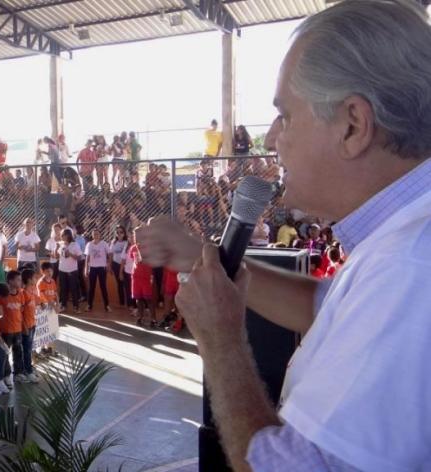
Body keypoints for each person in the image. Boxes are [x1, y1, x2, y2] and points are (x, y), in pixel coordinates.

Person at [137, 2, 431, 470]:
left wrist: (221, 341)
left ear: (353, 125)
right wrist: (201, 255)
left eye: (286, 116)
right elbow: (326, 307)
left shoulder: (408, 267)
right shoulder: (404, 241)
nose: (272, 137)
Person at [0, 270, 25, 386]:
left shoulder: (20, 294)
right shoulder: (3, 296)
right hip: (6, 330)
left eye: (20, 279)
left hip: (18, 329)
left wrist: (22, 325)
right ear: (10, 281)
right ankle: (6, 374)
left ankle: (18, 373)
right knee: (5, 353)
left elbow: (22, 309)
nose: (20, 282)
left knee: (18, 351)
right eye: (18, 279)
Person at [84, 229, 111, 312]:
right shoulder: (89, 244)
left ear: (100, 235)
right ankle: (89, 305)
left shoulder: (104, 244)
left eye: (97, 234)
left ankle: (107, 306)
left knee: (103, 287)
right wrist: (86, 268)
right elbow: (87, 257)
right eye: (94, 234)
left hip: (102, 268)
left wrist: (108, 264)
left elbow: (109, 254)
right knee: (91, 287)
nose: (96, 235)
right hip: (92, 268)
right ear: (92, 235)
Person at [56, 229, 81, 313]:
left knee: (73, 289)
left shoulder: (75, 244)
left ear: (68, 235)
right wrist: (56, 248)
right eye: (61, 235)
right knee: (63, 289)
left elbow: (79, 257)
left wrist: (70, 254)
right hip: (62, 269)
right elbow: (56, 256)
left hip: (72, 270)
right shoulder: (60, 244)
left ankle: (76, 307)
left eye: (63, 235)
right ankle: (63, 306)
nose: (61, 236)